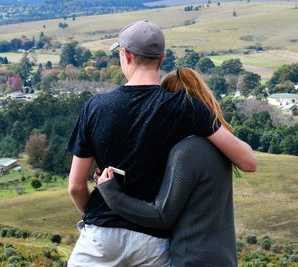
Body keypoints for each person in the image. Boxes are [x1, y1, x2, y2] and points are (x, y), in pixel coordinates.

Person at [66, 20, 256, 267]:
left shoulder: (94, 107)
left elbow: (75, 186)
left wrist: (96, 215)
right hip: (152, 243)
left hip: (100, 237)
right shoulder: (184, 107)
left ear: (126, 55)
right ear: (162, 57)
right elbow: (248, 161)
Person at [95, 68, 249, 266]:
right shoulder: (219, 149)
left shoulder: (187, 151)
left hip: (192, 260)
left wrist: (111, 192)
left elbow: (161, 215)